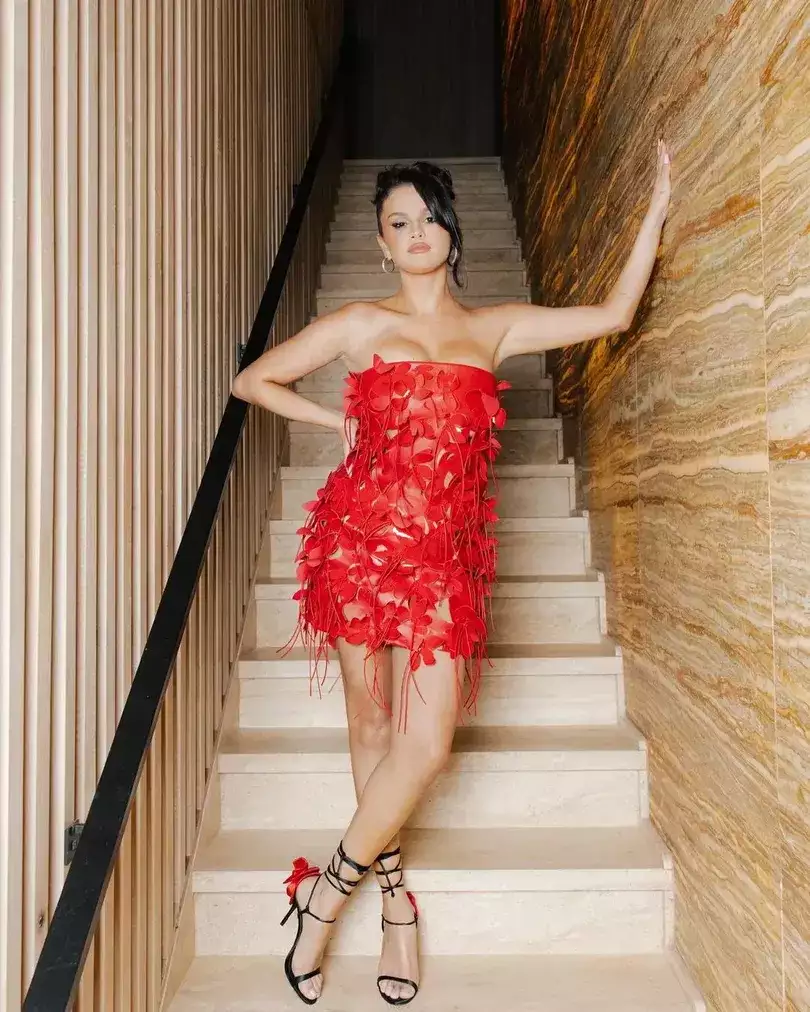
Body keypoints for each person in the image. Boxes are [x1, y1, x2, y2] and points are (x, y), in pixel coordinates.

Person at [231, 143, 671, 1006]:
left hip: (441, 564)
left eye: (428, 217)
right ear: (382, 244)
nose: (416, 232)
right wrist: (334, 422)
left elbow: (615, 313)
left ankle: (323, 898)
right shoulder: (360, 324)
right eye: (398, 222)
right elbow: (254, 380)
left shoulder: (494, 326)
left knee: (425, 744)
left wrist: (654, 207)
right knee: (371, 725)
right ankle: (397, 905)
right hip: (357, 545)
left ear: (451, 232)